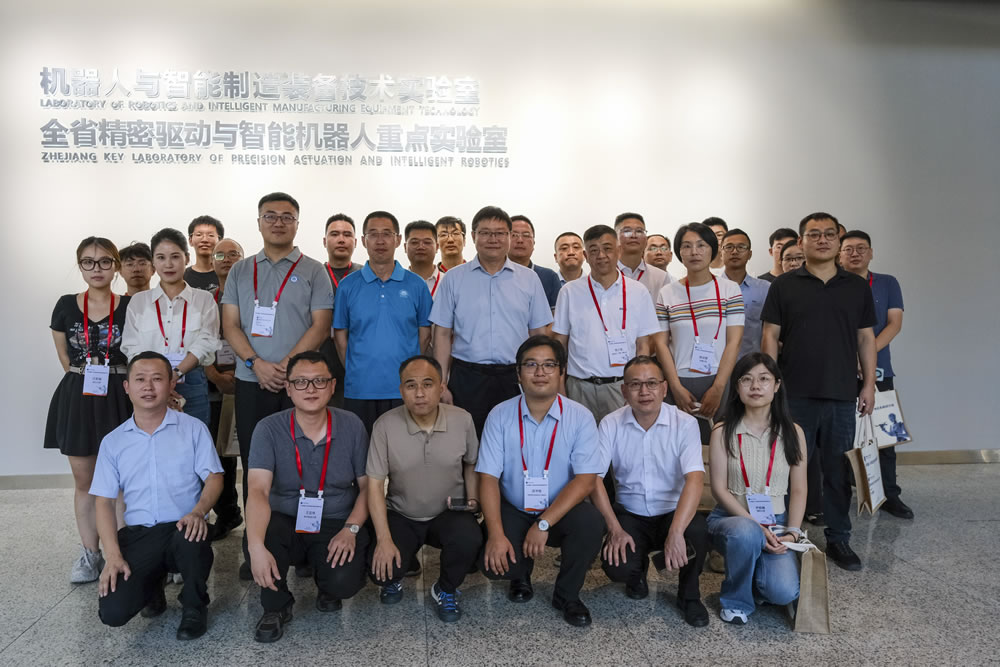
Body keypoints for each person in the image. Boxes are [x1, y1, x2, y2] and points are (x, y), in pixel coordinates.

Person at [220, 192, 334, 579]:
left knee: (303, 464)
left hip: (300, 387)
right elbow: (230, 325)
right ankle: (255, 548)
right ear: (259, 222)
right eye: (271, 216)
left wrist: (289, 368)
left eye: (287, 216)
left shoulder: (314, 270)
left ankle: (303, 549)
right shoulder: (240, 270)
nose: (279, 222)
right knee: (256, 465)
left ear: (297, 224)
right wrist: (256, 363)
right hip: (251, 381)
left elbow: (321, 325)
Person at [762, 212, 877, 571]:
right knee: (786, 467)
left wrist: (868, 384)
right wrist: (770, 386)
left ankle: (839, 537)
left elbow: (865, 338)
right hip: (793, 394)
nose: (822, 240)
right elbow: (769, 336)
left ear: (838, 240)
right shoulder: (784, 285)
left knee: (837, 470)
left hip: (842, 394)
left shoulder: (856, 286)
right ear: (801, 242)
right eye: (814, 234)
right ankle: (782, 533)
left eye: (829, 234)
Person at [90, 351, 223, 640]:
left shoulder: (193, 429)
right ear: (127, 387)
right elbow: (103, 502)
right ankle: (152, 588)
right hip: (139, 534)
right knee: (113, 612)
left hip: (182, 527)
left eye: (157, 379)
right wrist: (112, 556)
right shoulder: (113, 442)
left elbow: (214, 477)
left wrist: (199, 511)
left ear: (171, 384)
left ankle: (194, 606)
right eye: (140, 379)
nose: (148, 387)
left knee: (192, 537)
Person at [477, 336, 605, 627]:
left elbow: (586, 480)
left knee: (590, 523)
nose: (540, 372)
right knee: (495, 565)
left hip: (561, 510)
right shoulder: (500, 415)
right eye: (531, 365)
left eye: (549, 365)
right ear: (518, 373)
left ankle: (567, 594)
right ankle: (520, 576)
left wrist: (543, 524)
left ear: (561, 373)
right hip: (515, 508)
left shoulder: (580, 417)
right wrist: (495, 534)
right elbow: (488, 477)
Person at [245, 352, 370, 643]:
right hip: (286, 520)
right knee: (262, 537)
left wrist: (351, 529)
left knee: (343, 583)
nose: (310, 389)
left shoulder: (351, 425)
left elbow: (368, 488)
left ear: (332, 386)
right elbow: (258, 490)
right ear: (288, 388)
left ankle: (327, 583)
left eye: (319, 381)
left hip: (337, 521)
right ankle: (276, 606)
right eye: (300, 382)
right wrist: (255, 547)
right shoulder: (268, 428)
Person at [592, 356, 710, 627]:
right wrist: (614, 529)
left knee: (697, 532)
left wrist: (676, 532)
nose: (644, 391)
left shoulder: (685, 423)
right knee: (617, 565)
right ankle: (637, 574)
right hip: (631, 514)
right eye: (635, 384)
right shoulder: (610, 423)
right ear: (624, 391)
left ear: (664, 388)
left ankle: (689, 596)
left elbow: (694, 479)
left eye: (651, 383)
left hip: (672, 512)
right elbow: (594, 480)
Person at [366, 355, 482, 622]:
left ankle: (445, 589)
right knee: (379, 569)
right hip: (402, 513)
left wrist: (474, 501)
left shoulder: (462, 420)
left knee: (469, 539)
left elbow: (471, 463)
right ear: (401, 390)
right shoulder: (384, 425)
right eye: (411, 385)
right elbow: (374, 485)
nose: (419, 393)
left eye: (427, 384)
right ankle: (395, 576)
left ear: (441, 388)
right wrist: (383, 540)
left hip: (448, 513)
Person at [46, 237, 132, 583]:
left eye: (105, 261)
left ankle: (123, 551)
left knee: (123, 481)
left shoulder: (130, 306)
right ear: (79, 265)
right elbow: (65, 359)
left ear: (116, 266)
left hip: (120, 396)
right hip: (79, 396)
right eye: (88, 262)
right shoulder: (66, 305)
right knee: (85, 481)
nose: (97, 269)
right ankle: (90, 553)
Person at [430, 205, 553, 437]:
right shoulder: (454, 279)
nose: (493, 239)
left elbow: (538, 334)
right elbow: (442, 334)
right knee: (468, 443)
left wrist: (542, 376)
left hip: (515, 377)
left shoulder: (529, 279)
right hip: (467, 377)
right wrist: (441, 382)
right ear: (473, 236)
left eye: (499, 233)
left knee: (517, 440)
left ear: (509, 236)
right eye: (485, 233)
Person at [707, 352, 807, 624]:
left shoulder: (794, 432)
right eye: (746, 379)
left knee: (784, 592)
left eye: (764, 379)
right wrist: (756, 527)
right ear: (737, 387)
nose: (755, 386)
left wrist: (792, 533)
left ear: (776, 386)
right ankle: (735, 601)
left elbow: (799, 490)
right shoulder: (722, 431)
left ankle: (753, 575)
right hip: (731, 519)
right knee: (746, 532)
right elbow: (719, 489)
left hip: (777, 523)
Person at [334, 210, 433, 434]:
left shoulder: (416, 285)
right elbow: (340, 337)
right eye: (373, 234)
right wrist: (357, 368)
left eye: (387, 234)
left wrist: (411, 370)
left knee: (402, 450)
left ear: (398, 240)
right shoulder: (347, 286)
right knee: (360, 449)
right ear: (363, 240)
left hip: (405, 389)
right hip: (360, 388)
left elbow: (425, 334)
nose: (380, 241)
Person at [552, 224, 659, 424]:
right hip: (579, 387)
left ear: (618, 250)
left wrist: (637, 387)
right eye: (594, 250)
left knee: (622, 441)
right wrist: (559, 387)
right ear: (586, 255)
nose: (601, 255)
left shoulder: (638, 292)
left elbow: (643, 345)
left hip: (622, 387)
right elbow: (560, 344)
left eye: (607, 248)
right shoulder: (569, 291)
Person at [840, 230, 912, 519]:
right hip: (840, 371)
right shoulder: (832, 284)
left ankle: (890, 494)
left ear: (871, 253)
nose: (855, 253)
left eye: (861, 248)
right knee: (841, 435)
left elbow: (894, 323)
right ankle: (842, 494)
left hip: (880, 370)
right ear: (839, 254)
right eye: (848, 249)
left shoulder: (887, 283)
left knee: (885, 435)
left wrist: (865, 355)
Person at [653, 222, 745, 443]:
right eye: (686, 246)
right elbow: (661, 343)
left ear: (713, 249)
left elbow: (734, 341)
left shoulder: (730, 289)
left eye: (701, 245)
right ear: (679, 253)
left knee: (717, 445)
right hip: (678, 380)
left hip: (718, 378)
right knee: (677, 445)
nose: (694, 252)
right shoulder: (667, 293)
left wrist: (719, 387)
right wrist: (675, 386)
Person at [122, 228, 220, 428]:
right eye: (161, 257)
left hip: (191, 381)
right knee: (152, 440)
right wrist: (158, 381)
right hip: (149, 384)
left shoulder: (204, 299)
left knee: (193, 439)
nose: (168, 264)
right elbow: (132, 348)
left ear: (187, 258)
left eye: (175, 256)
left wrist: (173, 375)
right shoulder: (139, 302)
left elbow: (206, 342)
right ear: (153, 262)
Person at [206, 239, 245, 540]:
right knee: (218, 453)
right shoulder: (204, 300)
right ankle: (227, 512)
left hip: (248, 379)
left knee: (249, 450)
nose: (227, 259)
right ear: (212, 261)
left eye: (234, 254)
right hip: (212, 384)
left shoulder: (252, 296)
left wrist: (242, 369)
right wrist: (216, 376)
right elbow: (197, 339)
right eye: (221, 254)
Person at [320, 213, 362, 409]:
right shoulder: (314, 275)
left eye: (347, 234)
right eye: (335, 234)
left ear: (356, 242)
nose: (341, 239)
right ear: (324, 241)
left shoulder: (366, 275)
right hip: (322, 356)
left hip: (359, 355)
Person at [721, 229, 771, 358]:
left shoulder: (765, 289)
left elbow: (770, 332)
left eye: (741, 247)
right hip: (717, 363)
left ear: (750, 254)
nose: (734, 251)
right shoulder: (711, 288)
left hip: (752, 362)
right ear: (721, 252)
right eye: (729, 247)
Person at [509, 215, 562, 309]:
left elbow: (556, 315)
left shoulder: (549, 277)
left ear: (533, 243)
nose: (520, 240)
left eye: (526, 235)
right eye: (514, 235)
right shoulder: (494, 274)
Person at [615, 212, 670, 300]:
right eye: (627, 231)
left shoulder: (661, 277)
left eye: (639, 231)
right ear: (615, 237)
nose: (633, 236)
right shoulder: (604, 274)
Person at [404, 220, 443, 298]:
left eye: (427, 242)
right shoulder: (396, 283)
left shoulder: (448, 281)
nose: (421, 247)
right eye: (414, 242)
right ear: (405, 247)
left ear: (437, 247)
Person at [184, 216, 224, 291]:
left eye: (211, 235)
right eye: (199, 235)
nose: (205, 240)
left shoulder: (227, 274)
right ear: (190, 240)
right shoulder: (182, 277)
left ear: (220, 241)